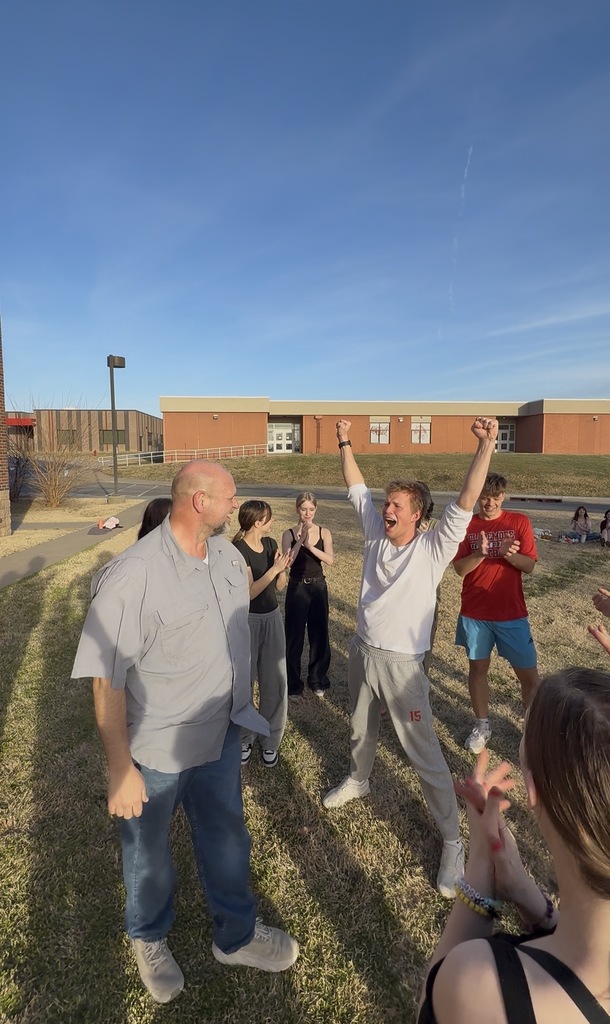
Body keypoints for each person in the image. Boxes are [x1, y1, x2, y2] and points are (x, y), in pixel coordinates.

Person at [71, 461, 299, 1004]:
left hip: (221, 732)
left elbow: (236, 615)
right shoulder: (133, 574)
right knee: (148, 851)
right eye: (228, 497)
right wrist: (120, 767)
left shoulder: (224, 555)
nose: (235, 504)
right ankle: (147, 936)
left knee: (226, 836)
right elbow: (106, 677)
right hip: (157, 747)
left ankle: (236, 935)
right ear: (199, 501)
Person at [323, 416, 499, 898]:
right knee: (359, 727)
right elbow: (355, 485)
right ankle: (358, 778)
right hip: (362, 651)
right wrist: (343, 440)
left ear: (418, 516)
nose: (386, 511)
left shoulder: (433, 547)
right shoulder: (375, 533)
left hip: (403, 669)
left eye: (396, 506)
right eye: (386, 504)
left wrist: (485, 446)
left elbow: (466, 499)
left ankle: (451, 841)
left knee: (424, 755)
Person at [418, 663, 610, 1024]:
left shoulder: (485, 989)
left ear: (534, 791)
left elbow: (433, 1001)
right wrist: (530, 899)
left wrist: (480, 865)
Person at [453, 473, 539, 754]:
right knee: (478, 669)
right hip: (475, 612)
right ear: (478, 496)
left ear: (504, 496)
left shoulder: (519, 522)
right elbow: (459, 569)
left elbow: (529, 566)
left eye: (495, 497)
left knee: (529, 677)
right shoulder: (468, 524)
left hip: (512, 614)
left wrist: (506, 554)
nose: (489, 502)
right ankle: (482, 725)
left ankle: (532, 732)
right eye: (484, 497)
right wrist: (481, 553)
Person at [232, 500, 290, 768]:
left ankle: (270, 741)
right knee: (245, 683)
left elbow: (279, 587)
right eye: (269, 518)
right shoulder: (238, 551)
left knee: (274, 681)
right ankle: (245, 738)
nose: (272, 522)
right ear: (257, 522)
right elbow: (249, 592)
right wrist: (273, 570)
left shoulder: (270, 545)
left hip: (272, 618)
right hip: (248, 621)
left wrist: (283, 569)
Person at [281, 492, 334, 698]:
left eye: (311, 509)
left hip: (318, 587)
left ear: (316, 510)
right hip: (297, 587)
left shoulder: (324, 532)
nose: (307, 513)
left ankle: (317, 679)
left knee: (319, 633)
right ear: (297, 510)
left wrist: (310, 545)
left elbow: (330, 560)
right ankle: (294, 684)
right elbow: (288, 562)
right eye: (304, 509)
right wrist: (299, 540)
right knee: (294, 636)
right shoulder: (288, 534)